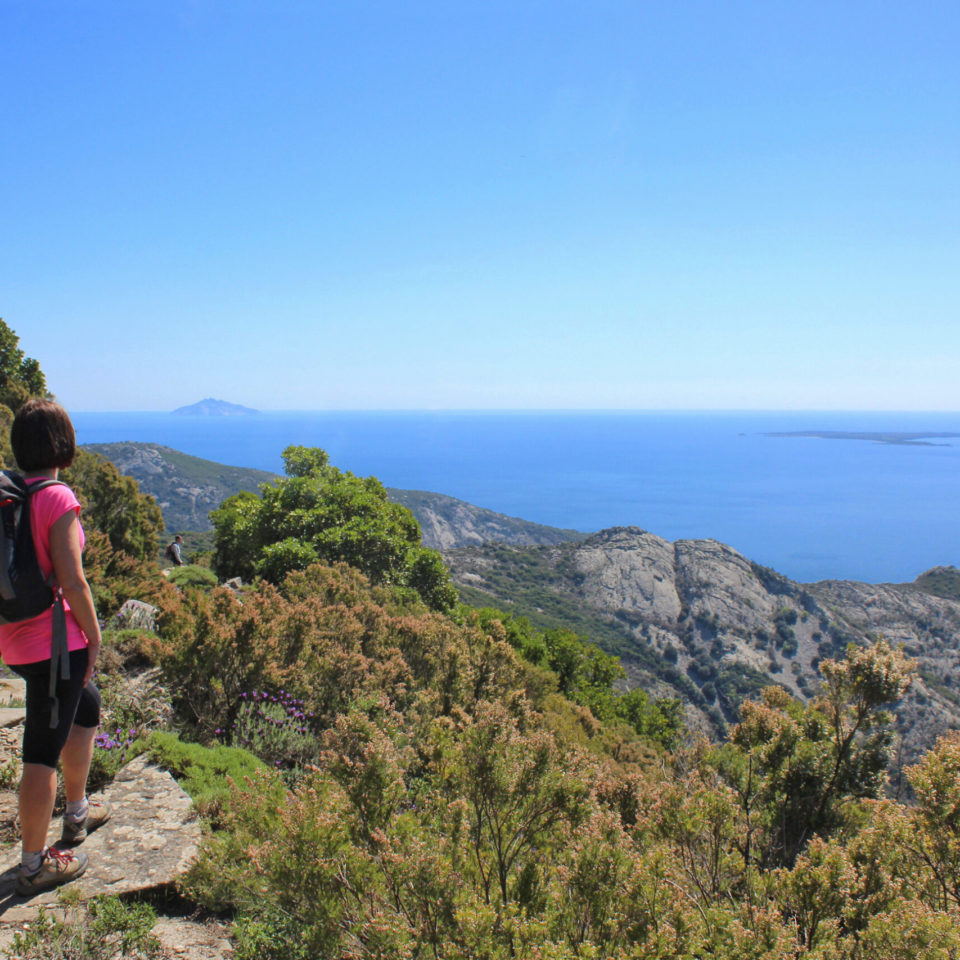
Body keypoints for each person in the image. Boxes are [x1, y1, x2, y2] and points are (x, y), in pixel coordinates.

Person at [0, 399, 110, 896]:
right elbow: (73, 579)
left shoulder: (10, 496)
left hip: (17, 641)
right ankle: (32, 866)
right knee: (41, 753)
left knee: (86, 707)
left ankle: (78, 811)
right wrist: (94, 636)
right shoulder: (56, 496)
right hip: (56, 647)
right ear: (63, 443)